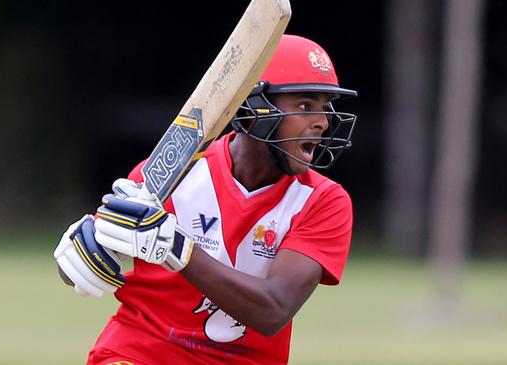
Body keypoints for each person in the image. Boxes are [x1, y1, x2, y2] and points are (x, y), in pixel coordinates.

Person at [53, 34, 358, 365]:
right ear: (254, 108)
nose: (323, 122)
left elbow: (273, 308)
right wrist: (80, 254)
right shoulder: (173, 171)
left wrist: (176, 247)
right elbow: (84, 264)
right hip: (140, 353)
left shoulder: (324, 202)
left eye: (325, 107)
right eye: (305, 106)